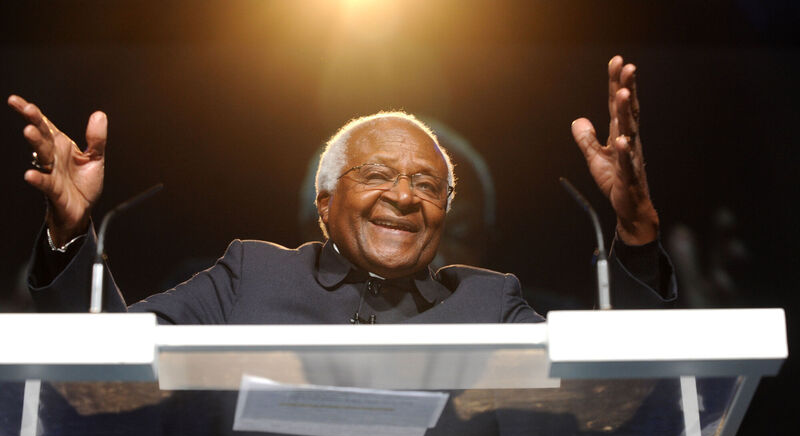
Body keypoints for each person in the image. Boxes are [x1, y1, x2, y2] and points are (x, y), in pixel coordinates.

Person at [8, 55, 674, 322]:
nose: (405, 197)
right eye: (378, 175)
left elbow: (618, 396)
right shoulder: (249, 277)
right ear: (324, 205)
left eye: (426, 184)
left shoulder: (488, 302)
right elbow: (108, 373)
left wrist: (638, 233)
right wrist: (69, 236)